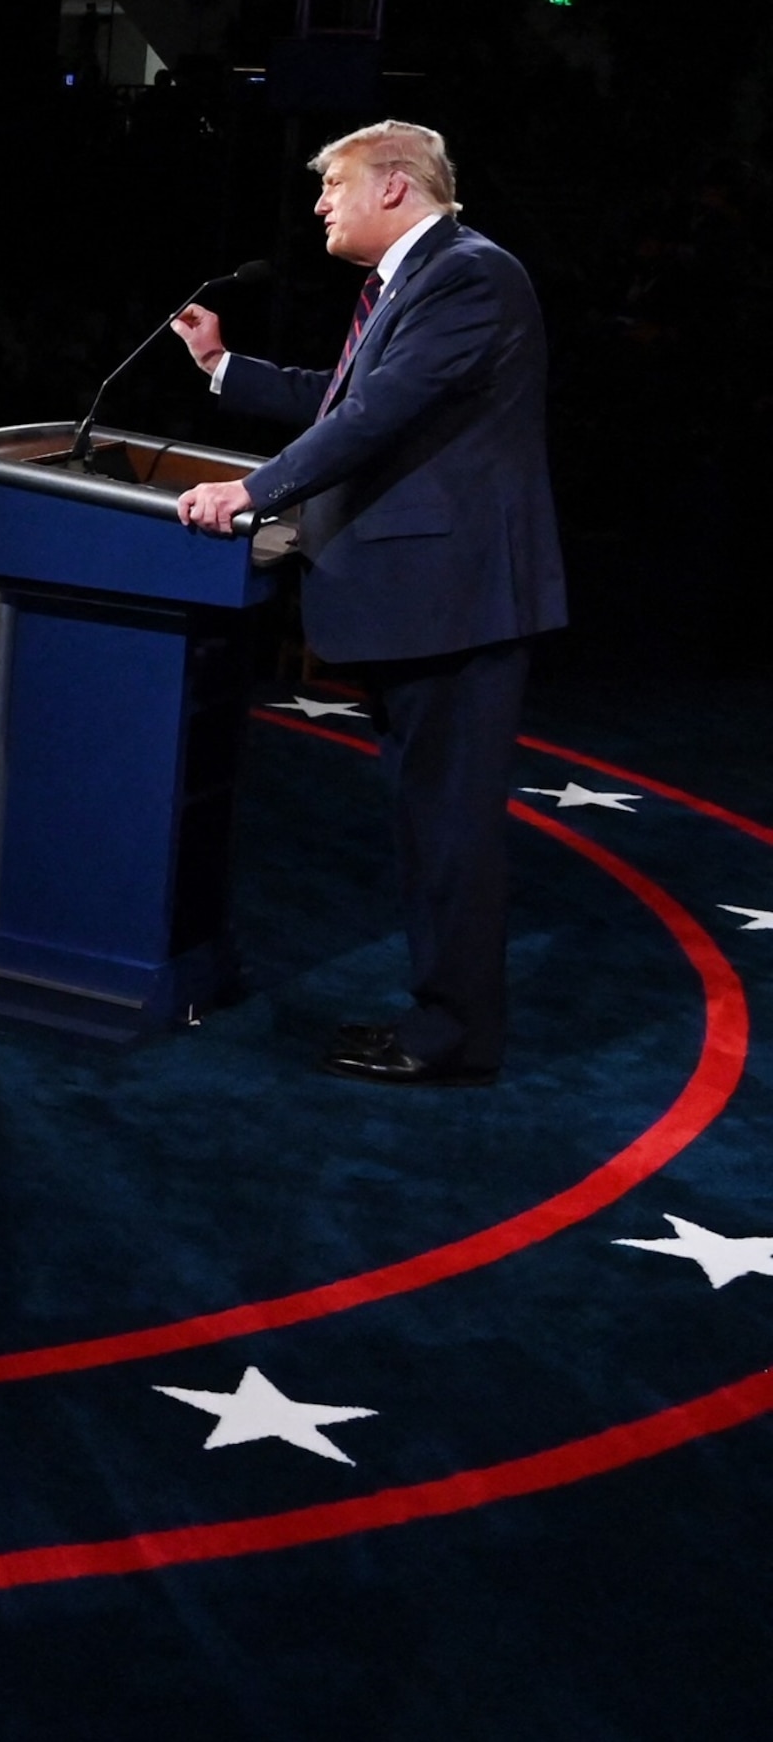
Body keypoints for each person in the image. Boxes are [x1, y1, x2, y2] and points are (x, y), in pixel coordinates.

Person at [172, 120, 566, 1087]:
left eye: (334, 185)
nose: (319, 204)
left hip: (456, 604)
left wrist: (253, 493)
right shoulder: (415, 284)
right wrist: (225, 367)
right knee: (431, 822)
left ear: (394, 186)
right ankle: (446, 1019)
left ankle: (455, 1035)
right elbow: (348, 398)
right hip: (428, 603)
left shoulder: (471, 276)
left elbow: (378, 415)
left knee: (450, 829)